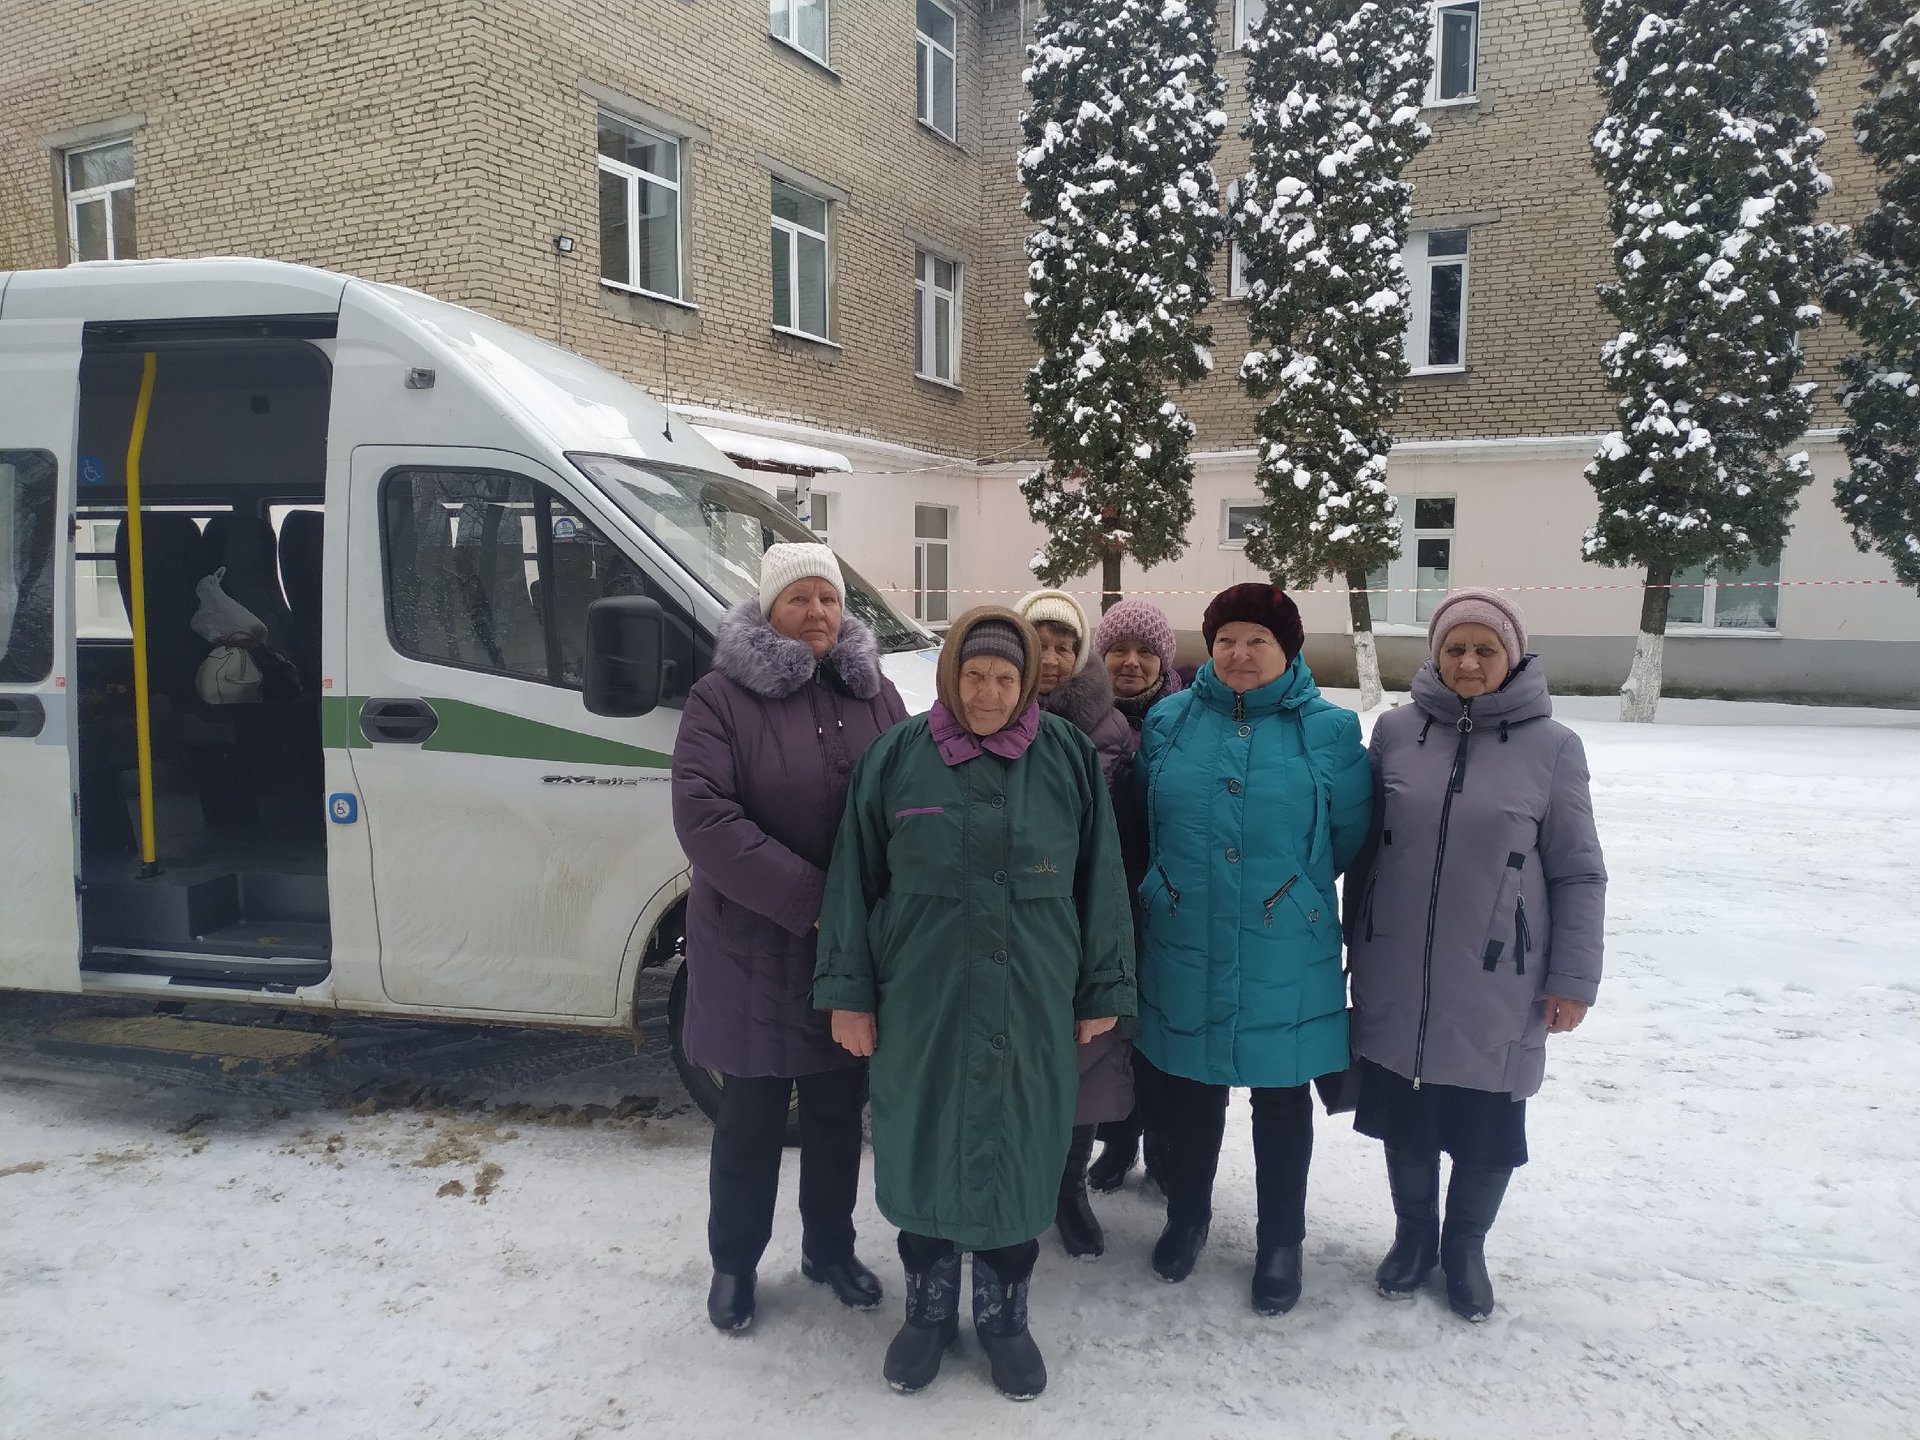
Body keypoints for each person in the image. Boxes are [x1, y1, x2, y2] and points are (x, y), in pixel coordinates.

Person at [815, 607, 1134, 1400]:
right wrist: (849, 993)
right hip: (922, 1001)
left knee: (1020, 1147)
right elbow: (853, 881)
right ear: (951, 674)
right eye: (973, 674)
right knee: (922, 1142)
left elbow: (1102, 878)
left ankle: (1003, 1316)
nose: (987, 692)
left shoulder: (1065, 758)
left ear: (1026, 682)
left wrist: (1103, 985)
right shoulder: (897, 757)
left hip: (1032, 998)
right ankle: (926, 1309)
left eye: (1004, 677)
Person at [1345, 587, 1606, 1322]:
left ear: (1513, 656)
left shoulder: (1553, 749)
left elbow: (1579, 870)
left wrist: (1574, 979)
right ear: (1435, 653)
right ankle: (1413, 1238)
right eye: (1455, 647)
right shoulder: (1396, 732)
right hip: (1398, 966)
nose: (1468, 661)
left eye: (1485, 649)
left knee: (1489, 1127)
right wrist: (1347, 937)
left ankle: (1464, 1247)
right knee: (1406, 1112)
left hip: (1500, 977)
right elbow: (1367, 850)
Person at [670, 542, 908, 1333]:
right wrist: (817, 899)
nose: (817, 614)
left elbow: (911, 796)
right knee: (753, 1122)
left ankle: (830, 1249)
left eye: (829, 600)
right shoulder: (719, 699)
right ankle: (734, 1265)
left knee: (841, 1112)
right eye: (799, 599)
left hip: (847, 952)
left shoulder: (874, 694)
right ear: (769, 608)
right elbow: (705, 820)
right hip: (753, 949)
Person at [1133, 583, 1370, 1315]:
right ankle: (1188, 1216)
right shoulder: (1169, 721)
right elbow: (1147, 816)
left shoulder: (1329, 731)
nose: (1240, 653)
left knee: (1280, 1096)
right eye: (1228, 638)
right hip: (1185, 930)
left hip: (1282, 944)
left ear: (1287, 650)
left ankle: (1281, 1241)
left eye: (1258, 641)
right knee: (1193, 1089)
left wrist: (1294, 892)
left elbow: (1348, 837)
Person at [1014, 587, 1137, 1260]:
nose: (1054, 658)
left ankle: (1068, 1189)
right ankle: (1017, 1184)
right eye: (1041, 642)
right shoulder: (987, 713)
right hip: (1010, 922)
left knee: (1083, 1066)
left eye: (1066, 645)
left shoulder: (1110, 733)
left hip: (1082, 919)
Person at [1085, 596, 1187, 1193]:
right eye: (1118, 649)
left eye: (1145, 651)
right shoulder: (1083, 720)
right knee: (1115, 1028)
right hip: (1107, 896)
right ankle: (1119, 1139)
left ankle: (1168, 1145)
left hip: (1171, 899)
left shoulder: (1184, 720)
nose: (1130, 662)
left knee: (1164, 1030)